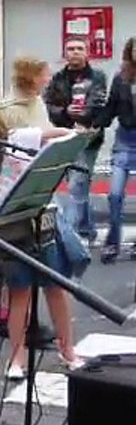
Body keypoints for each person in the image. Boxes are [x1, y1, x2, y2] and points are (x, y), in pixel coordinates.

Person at [0, 112, 84, 378]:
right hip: (11, 227)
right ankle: (17, 357)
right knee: (20, 293)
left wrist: (70, 141)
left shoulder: (18, 139)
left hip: (41, 220)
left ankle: (67, 350)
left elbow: (57, 133)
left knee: (55, 288)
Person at [0, 56, 57, 341]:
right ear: (33, 76)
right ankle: (11, 319)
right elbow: (17, 142)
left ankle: (20, 318)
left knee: (25, 258)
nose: (49, 78)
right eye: (45, 73)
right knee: (16, 260)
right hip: (11, 187)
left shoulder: (37, 102)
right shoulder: (8, 109)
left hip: (33, 183)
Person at [44, 37, 108, 243]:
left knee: (76, 185)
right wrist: (65, 111)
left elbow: (96, 104)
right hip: (64, 135)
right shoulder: (57, 79)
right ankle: (87, 229)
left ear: (87, 52)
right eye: (70, 49)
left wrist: (78, 115)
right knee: (80, 184)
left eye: (79, 48)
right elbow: (47, 105)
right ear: (65, 53)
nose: (75, 52)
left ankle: (68, 236)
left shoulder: (97, 77)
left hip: (88, 137)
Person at [93, 36, 136, 262]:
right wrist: (93, 125)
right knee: (115, 194)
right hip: (125, 141)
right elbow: (110, 108)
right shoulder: (121, 78)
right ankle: (113, 242)